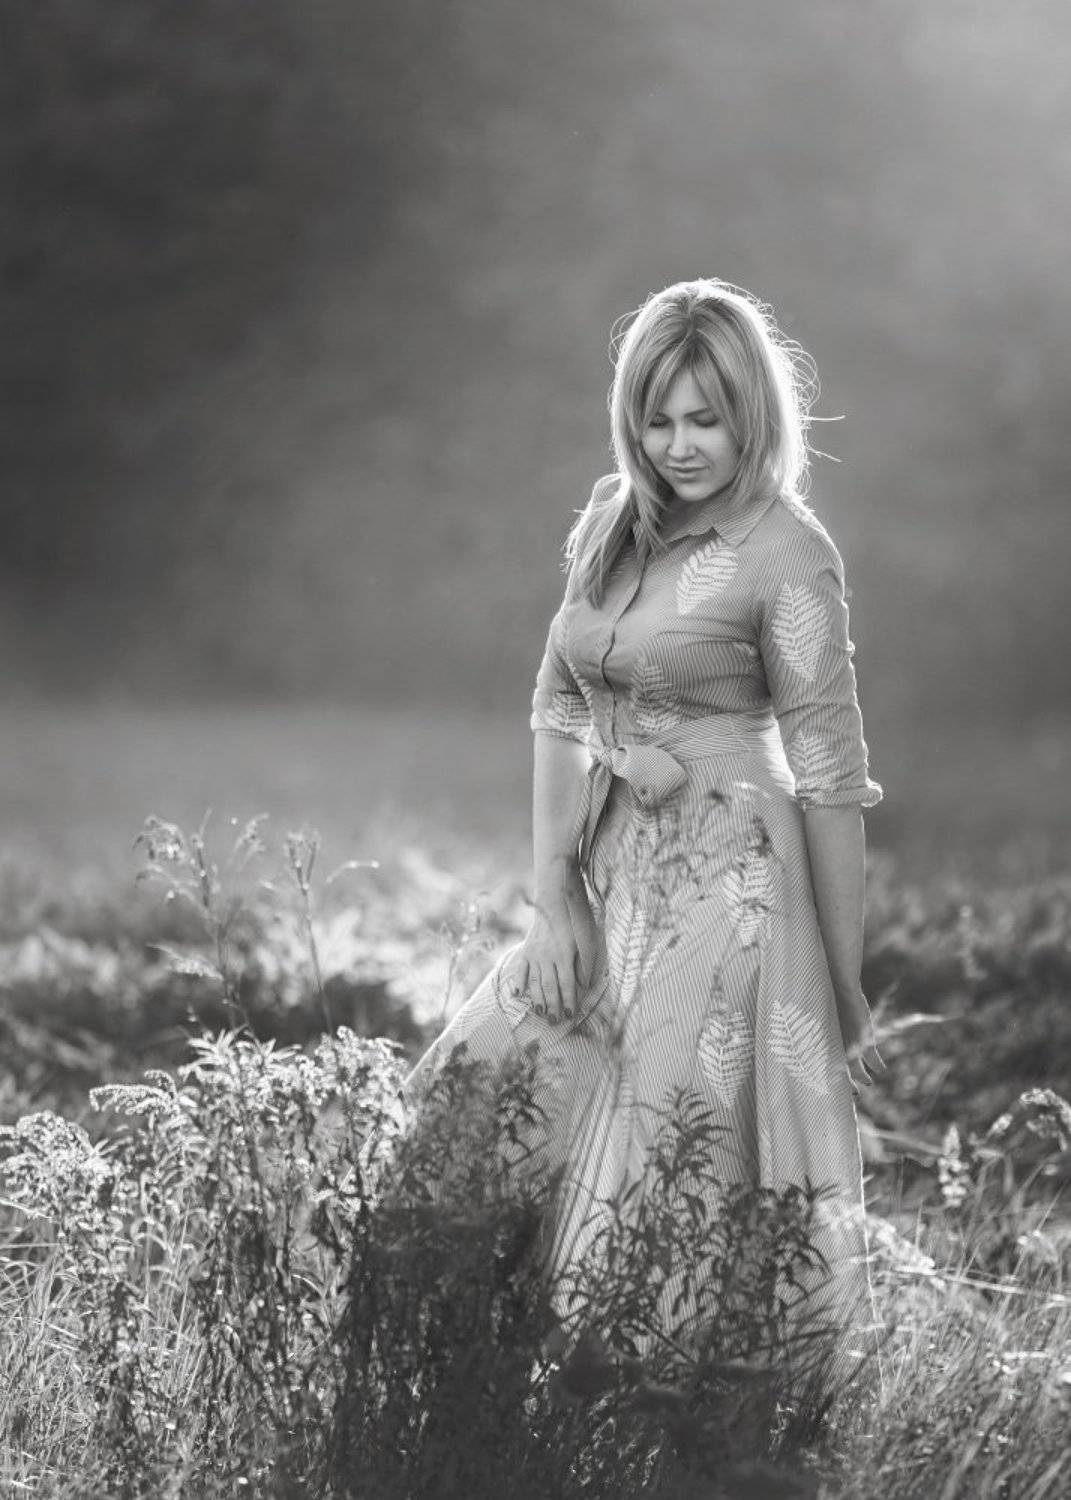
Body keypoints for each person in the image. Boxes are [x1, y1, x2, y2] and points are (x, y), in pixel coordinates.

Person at [401, 277, 885, 1373]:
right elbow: (559, 709)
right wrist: (555, 895)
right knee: (480, 1087)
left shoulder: (788, 552)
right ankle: (465, 1383)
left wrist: (837, 978)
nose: (678, 445)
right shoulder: (611, 521)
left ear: (753, 412)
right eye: (656, 419)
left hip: (735, 885)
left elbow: (831, 778)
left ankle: (645, 1398)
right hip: (612, 865)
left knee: (658, 1145)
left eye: (704, 418)